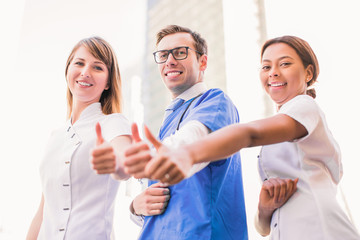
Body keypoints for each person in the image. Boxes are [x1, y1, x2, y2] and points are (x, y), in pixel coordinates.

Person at [140, 35, 360, 239]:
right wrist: (265, 208)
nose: (273, 72)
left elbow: (249, 134)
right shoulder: (281, 129)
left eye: (284, 64)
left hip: (322, 229)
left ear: (308, 73)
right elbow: (262, 228)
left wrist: (188, 153)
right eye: (266, 66)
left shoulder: (305, 107)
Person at [123, 25, 248, 239]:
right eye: (163, 55)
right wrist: (135, 207)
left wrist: (149, 159)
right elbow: (162, 198)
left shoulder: (215, 102)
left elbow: (192, 142)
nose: (169, 61)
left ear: (203, 61)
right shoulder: (168, 123)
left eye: (180, 52)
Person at [26, 36, 132, 239]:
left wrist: (122, 164)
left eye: (97, 67)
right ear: (68, 70)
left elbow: (126, 159)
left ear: (108, 82)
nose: (85, 72)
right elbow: (42, 212)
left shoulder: (112, 123)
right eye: (80, 63)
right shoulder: (54, 137)